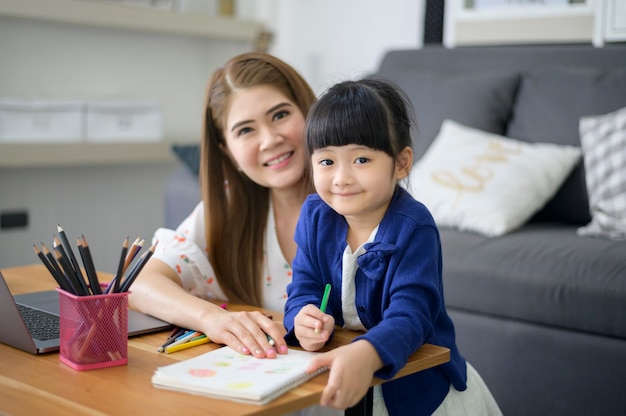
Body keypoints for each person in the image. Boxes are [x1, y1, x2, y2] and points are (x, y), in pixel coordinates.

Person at [283, 78, 502, 415]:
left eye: (361, 160)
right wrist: (302, 316)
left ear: (401, 163)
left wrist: (366, 352)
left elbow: (411, 316)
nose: (341, 177)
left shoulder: (414, 227)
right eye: (327, 162)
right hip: (351, 376)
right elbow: (303, 286)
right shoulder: (315, 215)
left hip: (419, 389)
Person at [128, 52, 317, 360]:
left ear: (310, 113)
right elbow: (139, 283)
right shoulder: (230, 210)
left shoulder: (357, 200)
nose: (269, 140)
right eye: (245, 130)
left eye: (280, 115)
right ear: (227, 151)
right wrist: (213, 319)